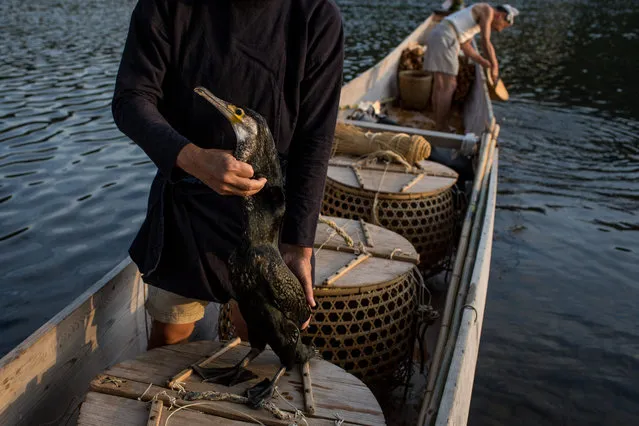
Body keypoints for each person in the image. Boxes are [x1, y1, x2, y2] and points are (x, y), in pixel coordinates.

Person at [111, 0, 344, 349]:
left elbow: (316, 138)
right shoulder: (168, 6)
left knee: (259, 335)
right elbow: (131, 99)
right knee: (171, 333)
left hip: (267, 216)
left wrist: (299, 245)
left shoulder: (317, 16)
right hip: (186, 202)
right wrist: (193, 158)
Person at [424, 3, 519, 130]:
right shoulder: (487, 10)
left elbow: (465, 45)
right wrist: (495, 66)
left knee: (440, 85)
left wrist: (482, 61)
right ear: (500, 16)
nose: (499, 30)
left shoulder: (474, 20)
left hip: (439, 34)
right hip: (447, 37)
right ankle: (441, 126)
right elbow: (486, 41)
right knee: (449, 85)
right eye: (502, 26)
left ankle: (438, 121)